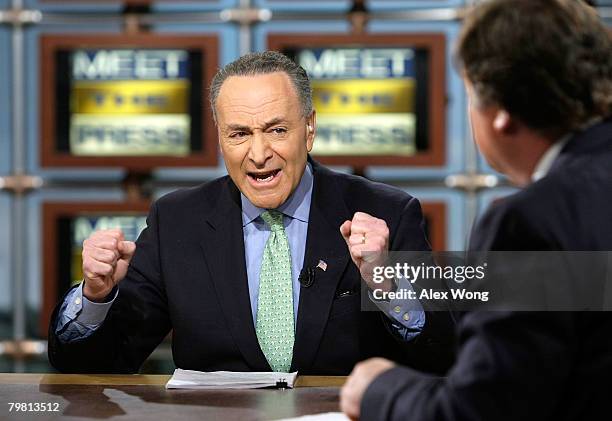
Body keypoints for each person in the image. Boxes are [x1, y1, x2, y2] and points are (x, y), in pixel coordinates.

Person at [48, 51, 455, 375]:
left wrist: (386, 288)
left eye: (277, 130)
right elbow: (97, 366)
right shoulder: (177, 220)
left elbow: (443, 355)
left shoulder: (388, 212)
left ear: (309, 128)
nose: (259, 155)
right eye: (239, 134)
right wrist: (95, 297)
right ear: (220, 137)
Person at [340, 0, 612, 419]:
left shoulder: (532, 223)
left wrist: (379, 389)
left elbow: (482, 410)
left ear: (500, 113)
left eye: (469, 94)